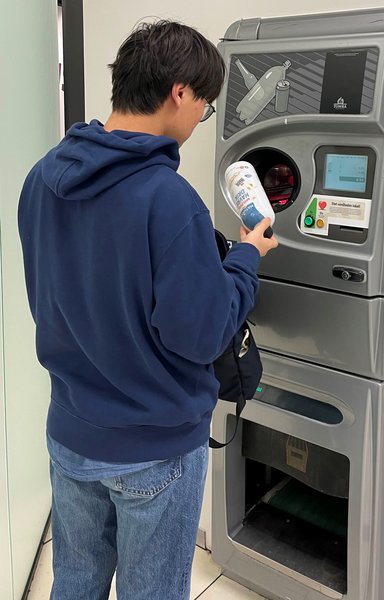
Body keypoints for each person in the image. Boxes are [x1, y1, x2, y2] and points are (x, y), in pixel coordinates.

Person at [18, 19, 278, 600]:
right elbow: (205, 334)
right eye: (204, 106)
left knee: (76, 581)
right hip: (154, 450)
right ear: (179, 92)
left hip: (70, 431)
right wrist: (243, 257)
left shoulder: (40, 180)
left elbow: (52, 299)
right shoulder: (168, 201)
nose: (197, 121)